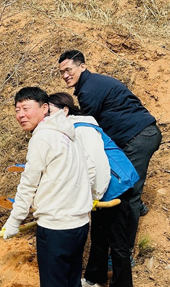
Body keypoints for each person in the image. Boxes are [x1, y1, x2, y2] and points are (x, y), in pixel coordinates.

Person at [3, 87, 97, 287]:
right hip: (79, 224)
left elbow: (28, 184)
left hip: (56, 229)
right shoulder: (68, 132)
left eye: (26, 108)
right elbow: (90, 169)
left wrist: (14, 222)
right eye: (17, 110)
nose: (21, 114)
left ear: (44, 108)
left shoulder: (42, 138)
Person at [48, 92, 137, 287]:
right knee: (98, 236)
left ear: (65, 110)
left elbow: (98, 164)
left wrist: (95, 196)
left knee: (117, 241)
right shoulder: (70, 130)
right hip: (103, 190)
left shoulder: (83, 129)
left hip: (115, 186)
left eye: (49, 112)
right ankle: (94, 281)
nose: (46, 118)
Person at [58, 50, 161, 217]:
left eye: (68, 70)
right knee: (122, 178)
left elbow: (90, 125)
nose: (65, 75)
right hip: (138, 135)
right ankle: (132, 214)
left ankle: (127, 239)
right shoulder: (93, 83)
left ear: (82, 66)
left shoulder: (89, 90)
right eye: (62, 72)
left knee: (129, 189)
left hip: (139, 136)